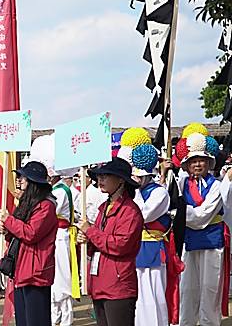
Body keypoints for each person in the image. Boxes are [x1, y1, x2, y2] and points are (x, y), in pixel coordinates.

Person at [76, 157, 144, 326]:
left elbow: (119, 245)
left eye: (106, 175)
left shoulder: (130, 211)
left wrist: (90, 232)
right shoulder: (104, 208)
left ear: (121, 179)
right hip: (100, 282)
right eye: (99, 176)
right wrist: (86, 239)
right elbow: (100, 241)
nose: (100, 179)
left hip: (118, 285)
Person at [175, 131, 232, 326]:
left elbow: (202, 217)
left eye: (202, 160)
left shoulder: (216, 186)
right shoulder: (181, 184)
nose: (198, 164)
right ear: (187, 165)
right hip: (189, 242)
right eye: (194, 161)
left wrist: (181, 214)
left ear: (208, 163)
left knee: (210, 289)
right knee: (188, 290)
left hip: (212, 241)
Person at [0, 161, 57, 326]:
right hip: (21, 269)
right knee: (23, 320)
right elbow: (19, 236)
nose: (19, 181)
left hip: (35, 271)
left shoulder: (46, 206)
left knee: (36, 320)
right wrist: (8, 231)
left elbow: (31, 234)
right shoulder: (27, 204)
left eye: (23, 178)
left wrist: (9, 221)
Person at [130, 154, 172, 326]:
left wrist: (135, 192)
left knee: (153, 296)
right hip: (134, 247)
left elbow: (143, 215)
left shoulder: (159, 192)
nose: (136, 180)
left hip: (152, 247)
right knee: (138, 298)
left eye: (139, 177)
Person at [50, 169, 80, 326]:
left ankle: (66, 318)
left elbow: (49, 213)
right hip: (53, 236)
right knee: (53, 277)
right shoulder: (53, 190)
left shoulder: (61, 191)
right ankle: (54, 316)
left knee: (62, 278)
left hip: (61, 236)